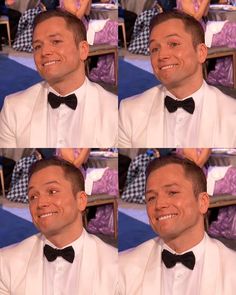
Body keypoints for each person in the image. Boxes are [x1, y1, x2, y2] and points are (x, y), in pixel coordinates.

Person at [119, 155, 236, 295]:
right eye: (151, 198)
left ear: (203, 202)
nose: (159, 204)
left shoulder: (231, 271)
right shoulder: (123, 268)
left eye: (172, 193)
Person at [0, 9, 118, 147]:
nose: (44, 52)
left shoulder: (114, 111)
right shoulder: (13, 108)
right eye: (37, 46)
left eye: (55, 41)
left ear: (83, 50)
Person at [118, 10, 236, 148]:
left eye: (173, 44)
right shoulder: (129, 111)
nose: (162, 55)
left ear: (201, 52)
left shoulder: (231, 115)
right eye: (155, 49)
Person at [0, 157, 118, 294]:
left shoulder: (114, 267)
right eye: (33, 196)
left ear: (81, 201)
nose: (41, 203)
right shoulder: (6, 263)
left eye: (52, 191)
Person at [177, 0, 236, 87]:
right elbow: (195, 19)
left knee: (233, 29)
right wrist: (205, 2)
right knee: (233, 32)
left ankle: (228, 74)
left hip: (203, 29)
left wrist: (205, 3)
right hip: (195, 34)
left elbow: (204, 14)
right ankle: (223, 75)